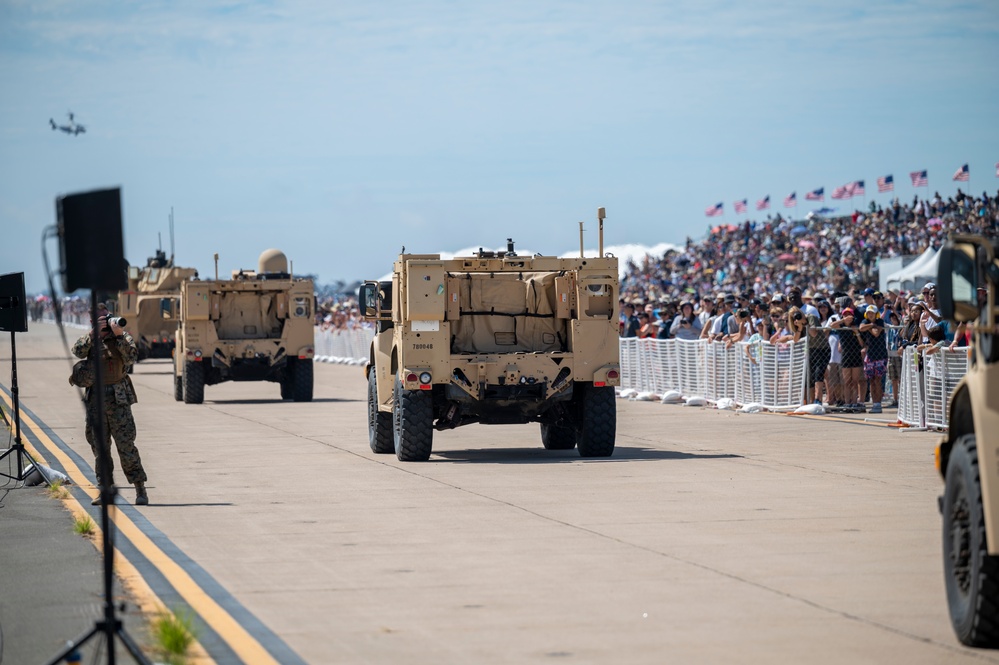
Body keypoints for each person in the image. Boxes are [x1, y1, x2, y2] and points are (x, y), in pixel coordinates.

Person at [72, 305, 148, 506]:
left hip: (118, 399)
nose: (105, 321)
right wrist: (93, 334)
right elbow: (78, 352)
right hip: (96, 400)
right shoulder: (91, 338)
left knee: (126, 446)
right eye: (100, 319)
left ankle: (140, 489)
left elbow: (132, 357)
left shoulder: (122, 337)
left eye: (106, 317)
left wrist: (119, 335)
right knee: (100, 449)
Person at [859, 305, 888, 414]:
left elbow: (876, 333)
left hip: (880, 354)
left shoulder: (880, 321)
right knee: (871, 380)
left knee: (878, 380)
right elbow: (861, 328)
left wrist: (868, 327)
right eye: (868, 313)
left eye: (872, 313)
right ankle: (874, 402)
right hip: (870, 354)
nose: (870, 314)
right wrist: (871, 325)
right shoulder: (866, 321)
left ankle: (878, 403)